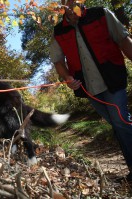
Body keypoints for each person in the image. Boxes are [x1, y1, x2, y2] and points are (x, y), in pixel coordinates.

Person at [50, 0, 132, 183]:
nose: (70, 4)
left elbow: (123, 40)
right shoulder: (59, 31)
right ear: (62, 5)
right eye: (66, 2)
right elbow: (57, 61)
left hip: (113, 79)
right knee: (118, 125)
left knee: (121, 122)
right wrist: (67, 78)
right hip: (89, 88)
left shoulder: (101, 14)